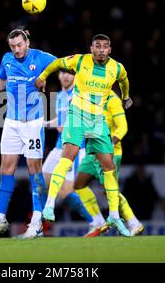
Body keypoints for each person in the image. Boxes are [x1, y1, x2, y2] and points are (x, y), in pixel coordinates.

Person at [35, 34, 133, 236]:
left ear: (110, 50)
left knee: (109, 167)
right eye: (97, 46)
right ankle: (50, 205)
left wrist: (126, 96)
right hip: (77, 116)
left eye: (105, 47)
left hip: (98, 121)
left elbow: (124, 80)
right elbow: (56, 64)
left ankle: (114, 216)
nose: (101, 50)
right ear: (91, 48)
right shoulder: (80, 60)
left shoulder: (117, 68)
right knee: (66, 157)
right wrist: (43, 76)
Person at [0, 29, 56, 239]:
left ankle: (36, 221)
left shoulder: (41, 58)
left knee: (35, 170)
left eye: (19, 45)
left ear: (27, 42)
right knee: (6, 169)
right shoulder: (7, 59)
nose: (16, 50)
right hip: (11, 123)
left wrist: (47, 78)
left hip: (33, 123)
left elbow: (64, 67)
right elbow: (1, 82)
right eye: (12, 46)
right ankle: (0, 219)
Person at [74, 90, 144, 237]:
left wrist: (108, 144)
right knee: (79, 185)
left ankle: (133, 222)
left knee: (110, 190)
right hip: (92, 151)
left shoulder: (113, 101)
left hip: (109, 152)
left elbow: (123, 127)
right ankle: (98, 221)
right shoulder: (91, 97)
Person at [42, 71, 103, 233]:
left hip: (74, 149)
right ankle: (38, 225)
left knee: (66, 192)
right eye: (63, 72)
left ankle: (95, 221)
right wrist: (44, 123)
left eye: (70, 73)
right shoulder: (59, 96)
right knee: (40, 181)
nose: (66, 76)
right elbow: (58, 121)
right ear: (59, 75)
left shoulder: (80, 94)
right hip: (57, 147)